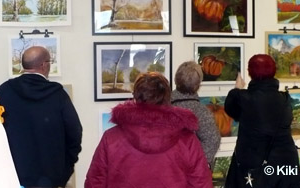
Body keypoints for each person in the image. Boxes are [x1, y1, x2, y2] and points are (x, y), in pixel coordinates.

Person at [85, 72, 213, 188]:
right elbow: (201, 184)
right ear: (168, 98)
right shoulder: (187, 140)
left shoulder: (111, 138)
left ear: (135, 97)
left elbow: (94, 183)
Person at [0, 46, 83, 188]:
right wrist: (64, 171)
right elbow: (75, 133)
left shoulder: (3, 91)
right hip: (50, 179)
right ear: (44, 65)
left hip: (13, 177)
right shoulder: (58, 94)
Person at [224, 54, 300, 188]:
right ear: (274, 72)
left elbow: (231, 110)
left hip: (255, 171)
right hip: (286, 167)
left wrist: (237, 89)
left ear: (249, 73)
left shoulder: (242, 98)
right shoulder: (285, 99)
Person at [171, 61, 221, 167]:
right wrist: (193, 163)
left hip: (165, 170)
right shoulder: (201, 112)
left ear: (176, 80)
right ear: (197, 85)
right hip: (191, 173)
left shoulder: (162, 106)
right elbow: (213, 140)